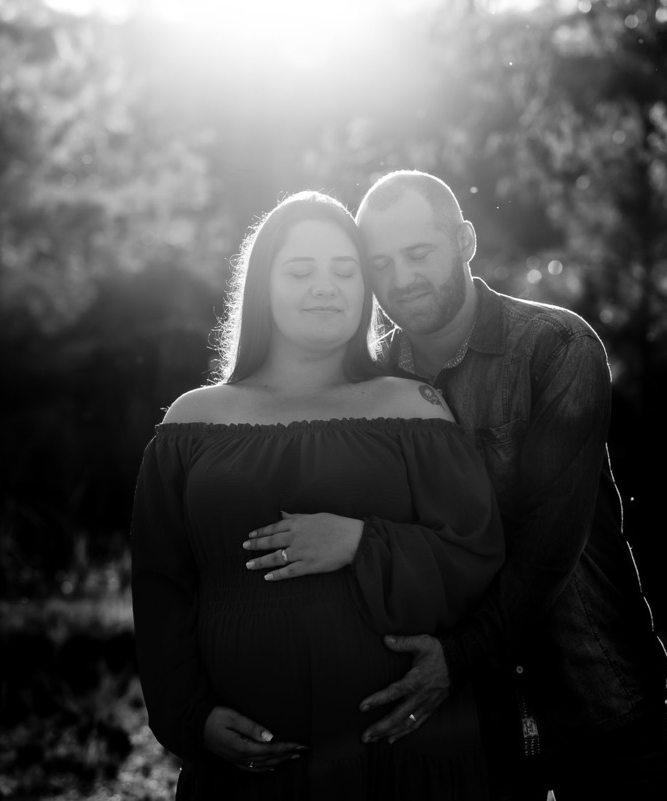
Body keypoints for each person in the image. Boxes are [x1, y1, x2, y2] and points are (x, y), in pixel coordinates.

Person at [269, 171, 667, 799]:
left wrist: (454, 659)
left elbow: (545, 549)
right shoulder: (370, 384)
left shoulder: (557, 347)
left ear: (464, 240)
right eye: (379, 263)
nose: (401, 280)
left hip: (597, 703)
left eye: (419, 253)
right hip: (466, 732)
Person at [129, 190, 505, 800]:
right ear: (263, 289)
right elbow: (160, 585)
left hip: (400, 754)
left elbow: (476, 554)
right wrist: (190, 717)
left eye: (345, 270)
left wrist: (361, 541)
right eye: (301, 271)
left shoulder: (412, 407)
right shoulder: (191, 422)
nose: (325, 287)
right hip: (250, 766)